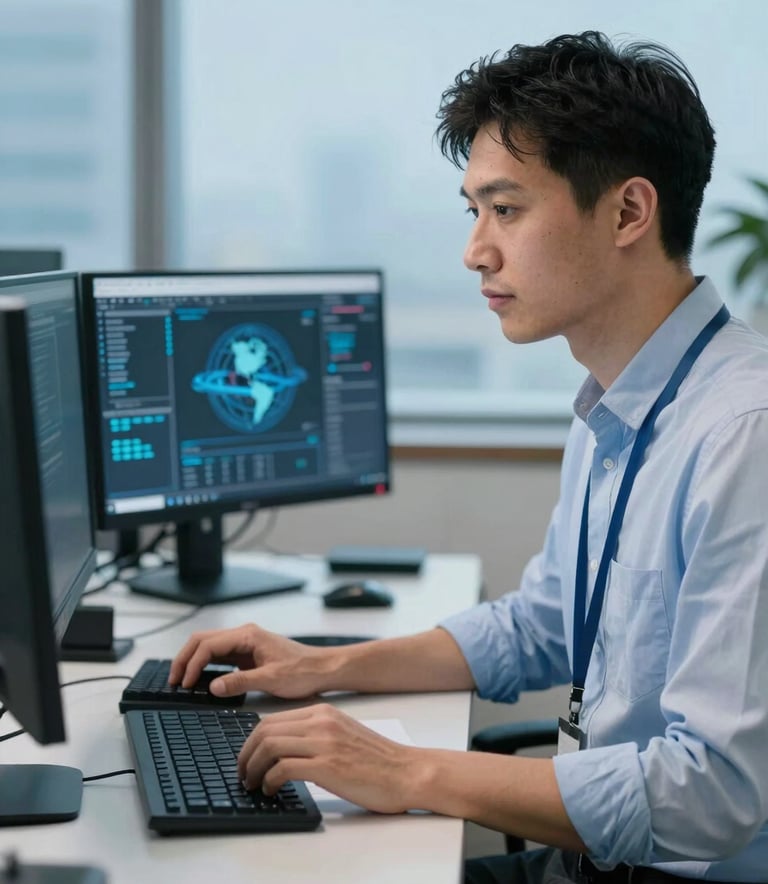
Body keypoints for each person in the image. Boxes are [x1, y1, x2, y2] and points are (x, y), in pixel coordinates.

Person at [169, 31, 768, 883]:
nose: (474, 250)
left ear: (631, 212)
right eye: (472, 210)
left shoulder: (743, 435)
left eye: (507, 209)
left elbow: (713, 795)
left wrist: (405, 772)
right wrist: (324, 666)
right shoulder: (617, 399)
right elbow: (541, 624)